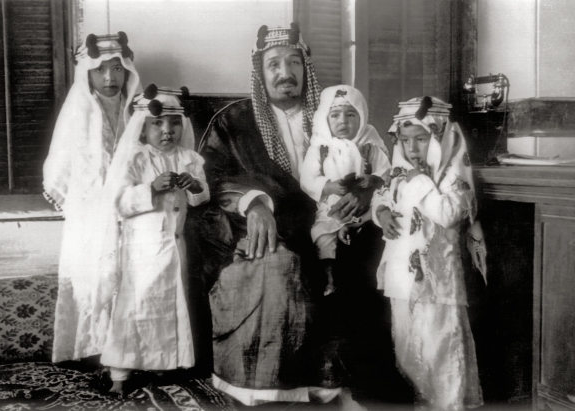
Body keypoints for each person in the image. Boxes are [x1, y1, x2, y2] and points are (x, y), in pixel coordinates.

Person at [190, 24, 371, 408]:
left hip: (330, 225)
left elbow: (370, 159)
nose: (284, 72)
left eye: (293, 62)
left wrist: (363, 193)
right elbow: (211, 177)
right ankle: (267, 390)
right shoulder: (233, 120)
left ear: (306, 69)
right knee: (278, 264)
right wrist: (253, 203)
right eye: (274, 64)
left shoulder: (334, 115)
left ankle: (350, 381)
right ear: (261, 71)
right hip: (252, 230)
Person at [372, 96, 487, 410]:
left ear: (441, 138)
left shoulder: (453, 177)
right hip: (402, 277)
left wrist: (419, 181)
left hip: (437, 280)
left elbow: (448, 213)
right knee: (408, 349)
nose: (412, 149)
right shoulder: (400, 172)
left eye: (421, 139)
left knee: (440, 347)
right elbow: (380, 196)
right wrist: (381, 213)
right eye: (406, 140)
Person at [93, 85, 209, 393]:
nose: (167, 130)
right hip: (141, 251)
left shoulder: (190, 159)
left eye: (173, 124)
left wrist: (194, 186)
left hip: (175, 247)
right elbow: (119, 203)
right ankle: (120, 374)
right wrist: (152, 189)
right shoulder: (136, 159)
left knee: (169, 308)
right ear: (143, 128)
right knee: (135, 309)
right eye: (157, 123)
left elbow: (202, 198)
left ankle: (161, 365)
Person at [43, 32, 141, 363]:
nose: (110, 78)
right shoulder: (78, 112)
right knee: (94, 271)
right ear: (88, 73)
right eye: (101, 70)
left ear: (127, 70)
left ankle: (130, 350)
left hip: (132, 206)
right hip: (91, 212)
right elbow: (63, 168)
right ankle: (92, 348)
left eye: (117, 69)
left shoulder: (138, 110)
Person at [300, 85, 390, 296]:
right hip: (331, 209)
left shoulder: (369, 143)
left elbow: (386, 172)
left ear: (361, 117)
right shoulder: (320, 147)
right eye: (335, 115)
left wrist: (373, 179)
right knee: (322, 236)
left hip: (364, 210)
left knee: (365, 244)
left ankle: (370, 284)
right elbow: (307, 179)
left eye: (351, 115)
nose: (343, 121)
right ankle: (331, 279)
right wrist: (329, 186)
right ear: (324, 118)